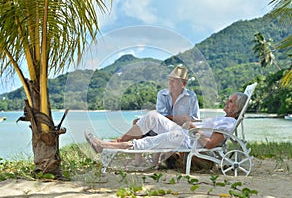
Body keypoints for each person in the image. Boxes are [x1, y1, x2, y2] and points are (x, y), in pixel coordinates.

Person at [85, 92, 248, 154]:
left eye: (231, 102)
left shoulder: (227, 123)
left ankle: (104, 146)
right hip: (185, 131)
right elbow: (202, 126)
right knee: (152, 116)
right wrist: (190, 121)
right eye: (228, 100)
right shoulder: (224, 118)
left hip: (186, 138)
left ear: (237, 108)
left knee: (148, 142)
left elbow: (210, 145)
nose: (227, 103)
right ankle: (118, 141)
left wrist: (191, 127)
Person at [117, 64, 200, 142]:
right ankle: (137, 153)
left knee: (146, 121)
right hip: (163, 124)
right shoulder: (162, 94)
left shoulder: (191, 97)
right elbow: (161, 115)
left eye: (173, 81)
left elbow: (195, 119)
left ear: (183, 84)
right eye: (169, 80)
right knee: (137, 121)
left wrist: (182, 121)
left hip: (179, 128)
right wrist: (177, 118)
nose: (169, 83)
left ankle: (121, 141)